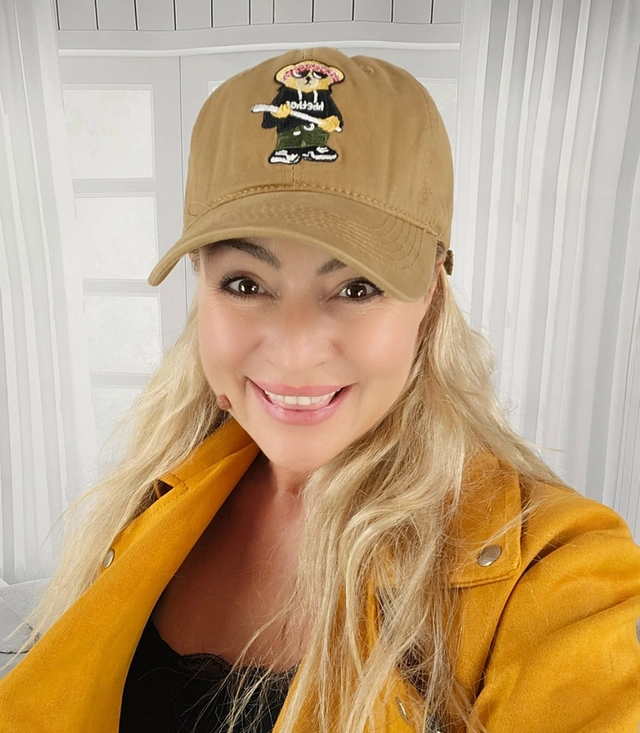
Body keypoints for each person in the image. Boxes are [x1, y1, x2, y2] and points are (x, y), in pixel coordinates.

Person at [0, 46, 639, 733]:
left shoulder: (550, 565)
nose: (296, 348)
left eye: (357, 287)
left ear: (431, 290)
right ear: (200, 285)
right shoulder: (150, 499)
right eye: (246, 283)